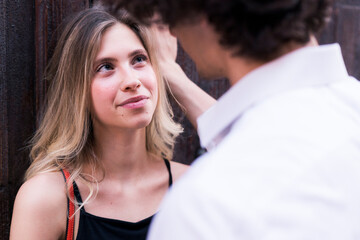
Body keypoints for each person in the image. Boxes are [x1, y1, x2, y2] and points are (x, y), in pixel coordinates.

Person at [103, 0, 360, 239]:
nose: (174, 32)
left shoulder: (203, 207)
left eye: (168, 16)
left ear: (199, 12)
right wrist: (171, 72)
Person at [8, 6, 208, 240]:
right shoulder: (46, 198)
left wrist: (171, 72)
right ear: (77, 91)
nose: (131, 81)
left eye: (139, 59)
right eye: (106, 67)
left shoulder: (192, 186)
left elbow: (256, 154)